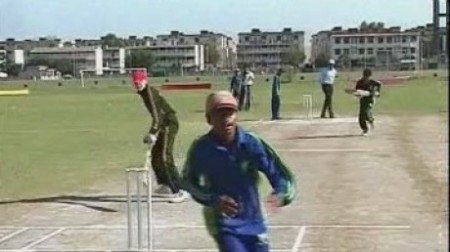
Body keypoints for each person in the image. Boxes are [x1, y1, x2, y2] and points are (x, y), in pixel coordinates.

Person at [181, 90, 296, 252]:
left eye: (230, 113)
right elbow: (188, 182)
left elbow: (281, 176)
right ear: (209, 119)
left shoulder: (251, 143)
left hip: (255, 223)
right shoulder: (202, 149)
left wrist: (280, 194)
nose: (226, 119)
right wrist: (214, 200)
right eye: (220, 114)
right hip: (224, 224)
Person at [130, 70, 189, 203]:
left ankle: (180, 190)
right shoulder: (144, 93)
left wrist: (152, 132)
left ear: (145, 80)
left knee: (164, 157)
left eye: (139, 81)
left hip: (169, 124)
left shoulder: (149, 93)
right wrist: (153, 132)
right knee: (156, 156)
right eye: (135, 82)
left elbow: (158, 116)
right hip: (163, 124)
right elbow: (157, 118)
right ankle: (166, 184)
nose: (137, 84)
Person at [350, 68, 382, 136]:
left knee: (366, 112)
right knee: (361, 115)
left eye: (368, 76)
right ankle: (365, 129)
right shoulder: (359, 82)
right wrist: (359, 94)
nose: (366, 78)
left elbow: (379, 84)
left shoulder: (372, 82)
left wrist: (377, 92)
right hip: (363, 100)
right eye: (365, 76)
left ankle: (371, 120)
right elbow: (357, 91)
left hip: (370, 99)